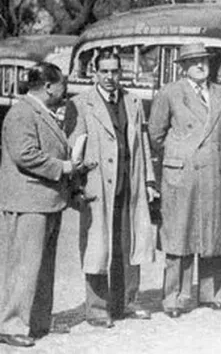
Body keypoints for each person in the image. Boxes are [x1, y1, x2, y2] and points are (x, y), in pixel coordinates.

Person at [63, 50, 158, 328]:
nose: (110, 77)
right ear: (95, 73)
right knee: (97, 246)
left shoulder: (133, 101)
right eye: (104, 71)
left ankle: (127, 301)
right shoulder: (81, 104)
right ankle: (97, 308)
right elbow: (73, 149)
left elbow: (142, 143)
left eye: (115, 71)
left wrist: (149, 180)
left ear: (121, 73)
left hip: (129, 183)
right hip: (98, 186)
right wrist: (76, 186)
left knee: (129, 243)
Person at [0, 63, 84, 348]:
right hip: (28, 202)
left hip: (46, 201)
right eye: (63, 86)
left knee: (42, 267)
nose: (66, 92)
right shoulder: (22, 112)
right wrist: (64, 166)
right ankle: (11, 324)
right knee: (24, 266)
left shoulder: (40, 111)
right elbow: (25, 154)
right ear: (49, 86)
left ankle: (37, 321)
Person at [148, 43, 221, 318]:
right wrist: (180, 155)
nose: (200, 65)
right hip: (182, 174)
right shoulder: (170, 93)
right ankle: (176, 297)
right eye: (193, 61)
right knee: (179, 234)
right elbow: (155, 135)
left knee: (212, 233)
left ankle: (213, 293)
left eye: (204, 60)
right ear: (183, 66)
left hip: (213, 173)